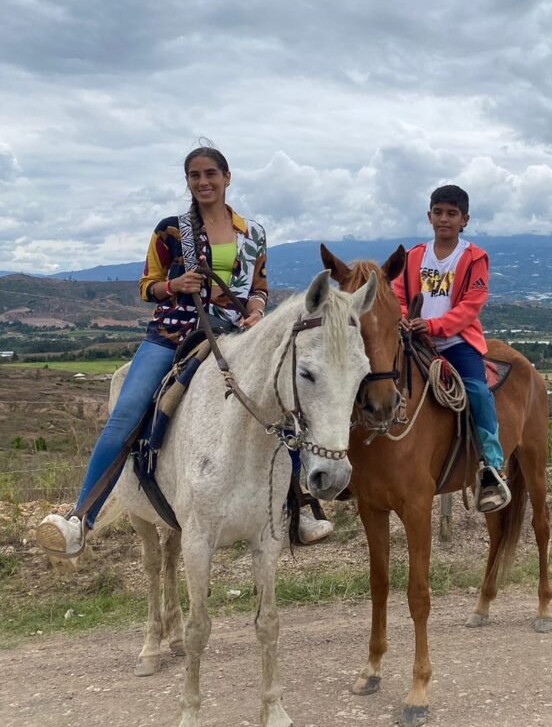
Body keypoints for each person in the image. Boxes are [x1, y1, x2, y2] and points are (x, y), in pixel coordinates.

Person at [36, 145, 333, 556]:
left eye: (211, 174)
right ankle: (80, 519)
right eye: (195, 175)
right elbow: (147, 287)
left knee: (282, 405)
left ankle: (297, 508)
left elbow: (259, 287)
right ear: (188, 181)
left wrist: (256, 309)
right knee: (126, 413)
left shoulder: (253, 233)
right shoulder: (171, 231)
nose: (203, 182)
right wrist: (173, 286)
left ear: (227, 178)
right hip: (174, 335)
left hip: (235, 337)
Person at [392, 185, 511, 513]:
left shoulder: (474, 258)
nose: (444, 219)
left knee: (477, 391)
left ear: (464, 220)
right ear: (429, 216)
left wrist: (433, 325)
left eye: (452, 213)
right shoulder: (413, 256)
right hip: (414, 340)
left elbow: (471, 305)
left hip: (457, 343)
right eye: (438, 212)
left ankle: (491, 465)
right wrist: (403, 317)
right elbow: (398, 294)